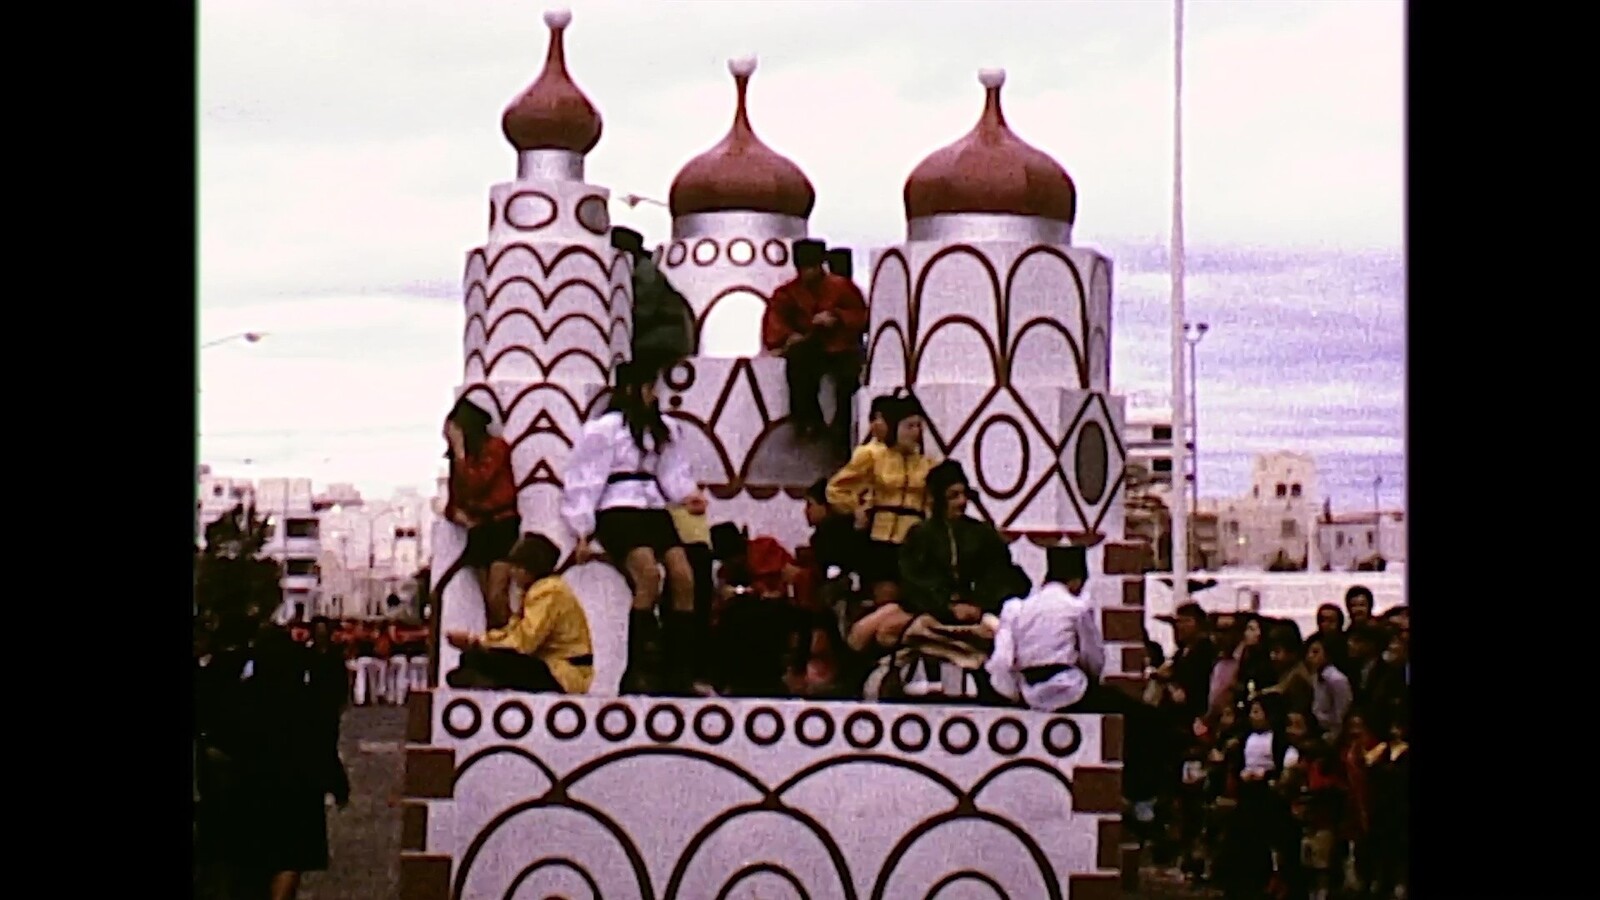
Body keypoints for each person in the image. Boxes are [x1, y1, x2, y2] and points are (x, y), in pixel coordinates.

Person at [561, 357, 708, 695]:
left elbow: (671, 470)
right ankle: (640, 669)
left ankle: (680, 671)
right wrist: (583, 528)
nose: (654, 396)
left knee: (683, 577)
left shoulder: (663, 429)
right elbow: (585, 477)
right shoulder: (605, 430)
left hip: (653, 507)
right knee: (648, 576)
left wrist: (687, 495)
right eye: (648, 389)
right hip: (618, 508)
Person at [985, 546, 1162, 808]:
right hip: (1069, 689)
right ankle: (1139, 797)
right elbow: (1093, 658)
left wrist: (1015, 694)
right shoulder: (1075, 607)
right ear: (1077, 581)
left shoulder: (1017, 609)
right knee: (1142, 719)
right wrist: (1090, 681)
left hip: (1029, 691)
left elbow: (1001, 661)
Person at [227, 626, 349, 900]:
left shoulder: (244, 696)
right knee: (291, 857)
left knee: (260, 859)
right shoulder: (303, 698)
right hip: (298, 787)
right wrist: (336, 782)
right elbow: (321, 744)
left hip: (252, 785)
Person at [827, 394, 935, 650]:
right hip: (882, 539)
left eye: (919, 426)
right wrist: (856, 510)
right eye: (909, 426)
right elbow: (836, 488)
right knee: (885, 604)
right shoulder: (873, 455)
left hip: (915, 542)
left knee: (911, 606)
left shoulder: (928, 464)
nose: (915, 432)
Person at [445, 534, 595, 694]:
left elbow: (524, 643)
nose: (512, 572)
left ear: (530, 568)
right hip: (551, 664)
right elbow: (513, 631)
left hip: (564, 670)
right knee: (472, 658)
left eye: (517, 567)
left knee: (483, 661)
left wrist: (477, 643)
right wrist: (479, 642)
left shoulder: (548, 592)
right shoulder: (536, 591)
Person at [762, 239, 869, 448]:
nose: (808, 272)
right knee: (800, 371)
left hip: (841, 346)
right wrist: (789, 336)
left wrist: (837, 317)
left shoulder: (841, 287)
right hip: (809, 346)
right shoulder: (787, 292)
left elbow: (862, 316)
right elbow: (776, 320)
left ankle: (841, 428)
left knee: (847, 380)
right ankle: (808, 420)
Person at [897, 460, 1030, 626]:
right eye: (953, 496)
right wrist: (947, 607)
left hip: (980, 612)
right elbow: (915, 582)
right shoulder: (920, 535)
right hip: (933, 612)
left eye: (964, 494)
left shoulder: (982, 533)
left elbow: (1002, 575)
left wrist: (979, 605)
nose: (962, 502)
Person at [443, 398, 521, 629]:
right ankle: (495, 648)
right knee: (487, 598)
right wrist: (458, 514)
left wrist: (460, 454)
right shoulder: (460, 462)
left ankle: (512, 647)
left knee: (498, 594)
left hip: (502, 525)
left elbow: (478, 482)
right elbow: (454, 499)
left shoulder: (495, 448)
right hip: (480, 529)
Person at [614, 227, 694, 363]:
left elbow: (643, 310)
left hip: (663, 341)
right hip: (666, 338)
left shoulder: (643, 271)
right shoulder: (642, 268)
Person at [1304, 633, 1353, 742]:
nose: (1310, 656)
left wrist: (1334, 735)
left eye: (1315, 652)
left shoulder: (1337, 679)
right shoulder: (1316, 675)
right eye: (1309, 652)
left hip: (1333, 733)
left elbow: (1342, 711)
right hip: (1318, 727)